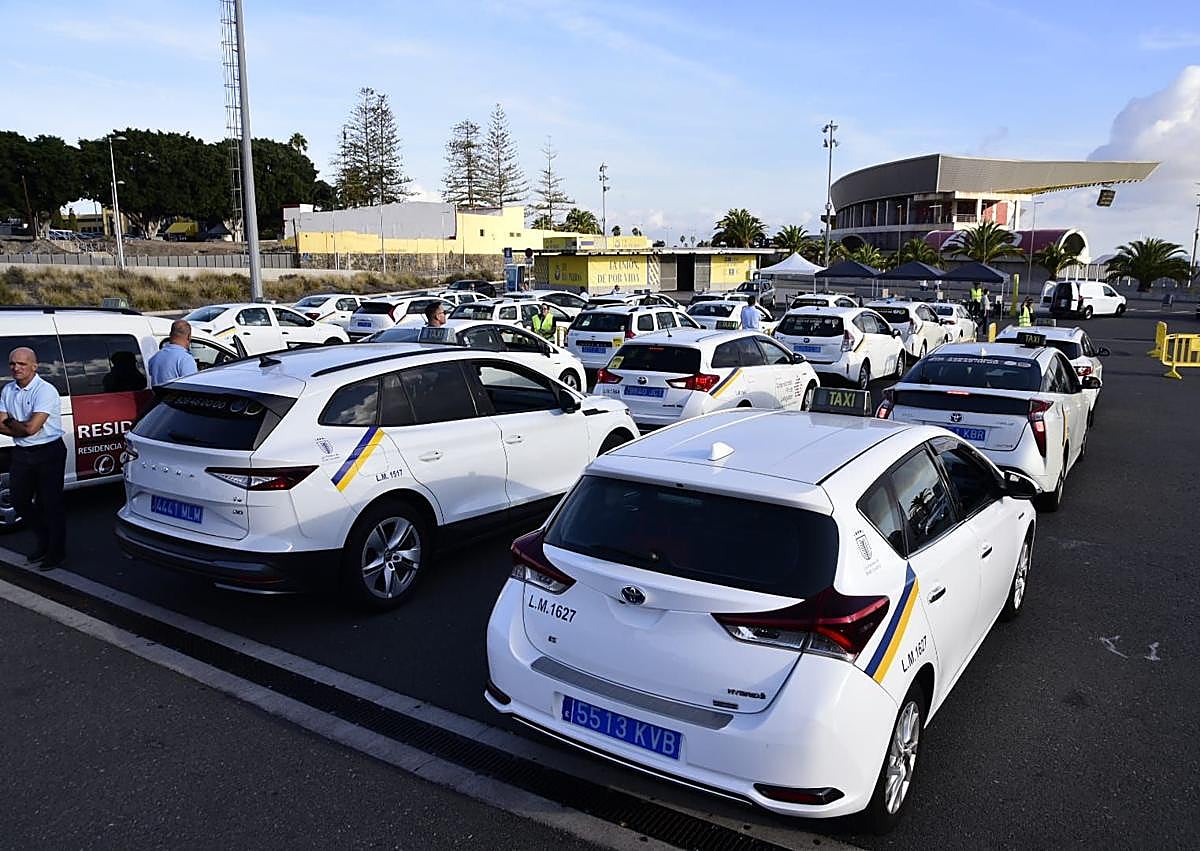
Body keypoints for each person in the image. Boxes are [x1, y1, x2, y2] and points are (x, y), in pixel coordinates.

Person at [0, 347, 66, 570]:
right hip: (22, 453)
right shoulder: (8, 390)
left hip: (48, 452)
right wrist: (18, 427)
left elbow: (32, 428)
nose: (16, 368)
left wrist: (10, 423)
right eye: (12, 364)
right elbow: (16, 427)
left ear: (34, 366)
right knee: (19, 501)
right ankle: (44, 540)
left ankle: (56, 552)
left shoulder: (45, 391)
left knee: (50, 504)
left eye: (22, 364)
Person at [148, 320, 197, 387]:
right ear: (189, 336)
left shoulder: (155, 357)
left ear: (170, 334)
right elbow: (192, 387)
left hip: (158, 397)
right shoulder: (186, 359)